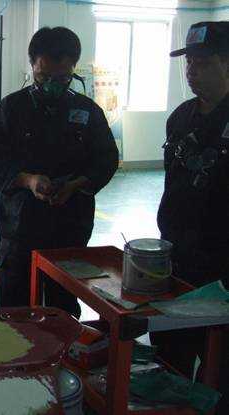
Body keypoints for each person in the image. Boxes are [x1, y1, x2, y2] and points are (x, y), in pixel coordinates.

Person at [0, 27, 118, 313]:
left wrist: (76, 184)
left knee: (64, 302)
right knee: (15, 305)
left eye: (62, 78)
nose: (52, 86)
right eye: (44, 77)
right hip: (20, 224)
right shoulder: (11, 109)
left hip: (70, 223)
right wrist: (27, 180)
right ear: (32, 65)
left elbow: (106, 159)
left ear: (73, 68)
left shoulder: (87, 111)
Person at [155, 21, 229, 414]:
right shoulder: (181, 117)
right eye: (189, 63)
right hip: (177, 258)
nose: (191, 71)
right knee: (170, 353)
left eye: (202, 62)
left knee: (220, 364)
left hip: (222, 267)